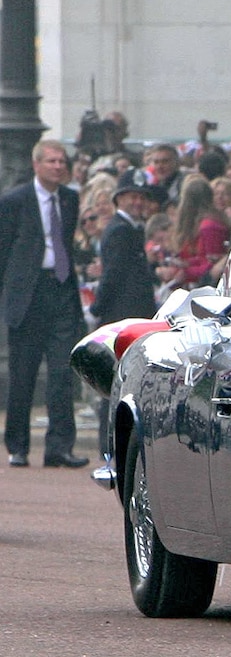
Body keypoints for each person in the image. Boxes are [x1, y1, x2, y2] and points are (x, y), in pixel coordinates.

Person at [0, 140, 88, 468]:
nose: (58, 166)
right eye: (51, 161)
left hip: (61, 290)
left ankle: (60, 446)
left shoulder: (70, 199)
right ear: (36, 165)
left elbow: (64, 242)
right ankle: (18, 445)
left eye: (62, 161)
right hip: (27, 295)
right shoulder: (14, 201)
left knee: (63, 371)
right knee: (23, 374)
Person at [90, 168, 158, 325]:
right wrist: (97, 308)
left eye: (142, 198)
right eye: (133, 197)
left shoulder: (134, 227)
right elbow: (113, 274)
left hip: (134, 311)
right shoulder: (120, 230)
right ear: (119, 199)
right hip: (124, 313)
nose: (138, 202)